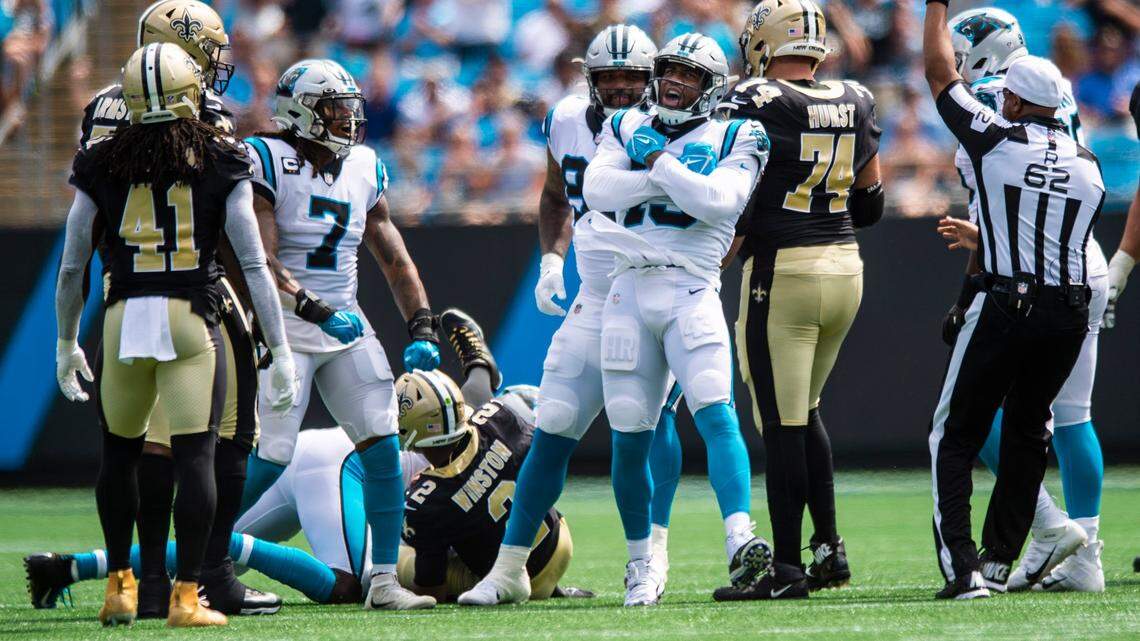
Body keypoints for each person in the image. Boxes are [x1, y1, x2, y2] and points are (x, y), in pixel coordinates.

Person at [28, 310, 595, 606]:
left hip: (323, 451)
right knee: (355, 586)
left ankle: (71, 567)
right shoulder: (488, 431)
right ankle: (79, 567)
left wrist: (473, 353)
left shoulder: (477, 416)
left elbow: (478, 389)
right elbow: (426, 576)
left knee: (204, 544)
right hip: (337, 469)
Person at [54, 43, 298, 626]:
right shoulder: (222, 159)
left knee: (120, 456)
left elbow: (71, 266)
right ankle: (188, 596)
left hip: (121, 317)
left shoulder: (100, 161)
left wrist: (66, 342)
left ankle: (121, 587)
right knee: (195, 456)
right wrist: (280, 347)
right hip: (190, 316)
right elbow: (254, 263)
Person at [459, 25, 686, 607]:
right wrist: (552, 261)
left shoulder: (678, 126)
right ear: (589, 79)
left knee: (646, 423)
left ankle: (648, 555)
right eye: (607, 77)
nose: (617, 87)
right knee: (554, 422)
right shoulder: (564, 119)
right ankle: (509, 567)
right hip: (594, 292)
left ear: (649, 80)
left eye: (629, 78)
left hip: (656, 291)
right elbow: (558, 195)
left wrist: (695, 287)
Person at [239, 59, 442, 611]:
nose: (347, 119)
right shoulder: (265, 159)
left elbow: (392, 255)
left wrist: (421, 321)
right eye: (333, 108)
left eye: (349, 107)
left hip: (345, 323)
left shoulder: (364, 166)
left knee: (382, 447)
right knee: (272, 454)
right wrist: (310, 304)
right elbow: (259, 256)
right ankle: (199, 557)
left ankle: (382, 582)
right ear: (300, 112)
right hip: (286, 328)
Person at [577, 32, 772, 606]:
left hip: (691, 288)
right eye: (669, 71)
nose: (674, 83)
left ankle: (740, 536)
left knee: (716, 409)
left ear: (712, 87)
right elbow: (596, 190)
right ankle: (641, 562)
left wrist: (656, 160)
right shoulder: (623, 125)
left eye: (689, 75)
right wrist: (663, 173)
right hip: (629, 289)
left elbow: (719, 203)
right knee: (630, 432)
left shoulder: (741, 132)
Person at [922, 0, 1106, 600]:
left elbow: (940, 78)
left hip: (1013, 280)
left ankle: (968, 567)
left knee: (957, 431)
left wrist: (983, 256)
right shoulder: (1090, 160)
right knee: (1046, 424)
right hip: (1076, 281)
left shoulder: (995, 133)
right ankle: (1054, 547)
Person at [716, 0, 883, 600]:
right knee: (805, 410)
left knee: (782, 423)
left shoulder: (755, 98)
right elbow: (871, 206)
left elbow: (729, 188)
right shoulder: (859, 98)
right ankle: (828, 549)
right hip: (845, 269)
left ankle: (786, 569)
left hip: (783, 271)